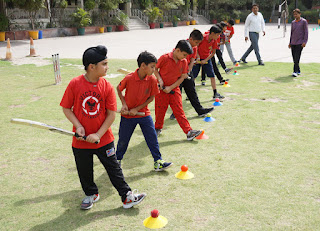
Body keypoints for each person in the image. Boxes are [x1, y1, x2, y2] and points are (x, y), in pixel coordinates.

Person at [60, 45, 146, 210]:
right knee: (84, 171)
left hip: (104, 139)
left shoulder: (106, 86)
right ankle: (91, 193)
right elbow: (66, 108)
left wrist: (98, 134)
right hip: (81, 140)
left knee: (114, 169)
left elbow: (111, 114)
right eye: (104, 64)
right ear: (92, 67)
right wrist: (78, 126)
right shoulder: (75, 84)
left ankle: (127, 196)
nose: (107, 67)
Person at [116, 51, 173, 171]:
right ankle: (117, 161)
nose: (154, 70)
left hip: (143, 114)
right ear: (143, 66)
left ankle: (158, 161)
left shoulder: (152, 80)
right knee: (123, 140)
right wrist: (124, 105)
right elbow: (119, 88)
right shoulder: (129, 78)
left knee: (152, 138)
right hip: (128, 116)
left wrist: (137, 108)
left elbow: (152, 97)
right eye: (152, 67)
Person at [154, 40, 202, 140]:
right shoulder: (164, 58)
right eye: (184, 55)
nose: (185, 58)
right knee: (160, 111)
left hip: (174, 90)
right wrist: (160, 80)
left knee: (179, 111)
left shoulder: (184, 62)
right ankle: (157, 128)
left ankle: (189, 132)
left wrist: (170, 88)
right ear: (177, 50)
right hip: (161, 91)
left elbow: (183, 77)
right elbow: (155, 69)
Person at [170, 29, 214, 120]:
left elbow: (193, 59)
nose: (197, 45)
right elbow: (175, 58)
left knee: (192, 91)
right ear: (190, 39)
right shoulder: (182, 45)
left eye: (199, 43)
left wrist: (189, 70)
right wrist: (181, 73)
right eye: (196, 42)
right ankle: (175, 113)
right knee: (177, 93)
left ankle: (200, 110)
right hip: (178, 73)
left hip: (187, 72)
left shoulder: (194, 47)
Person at [192, 25, 224, 99]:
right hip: (197, 59)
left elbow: (213, 53)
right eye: (217, 34)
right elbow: (195, 47)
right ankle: (190, 94)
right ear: (212, 33)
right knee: (193, 76)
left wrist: (206, 60)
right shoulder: (202, 38)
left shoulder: (214, 40)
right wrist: (198, 57)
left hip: (207, 59)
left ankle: (215, 93)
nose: (218, 36)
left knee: (212, 76)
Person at [288, 8, 308, 77]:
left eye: (296, 14)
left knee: (297, 58)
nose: (295, 15)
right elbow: (291, 33)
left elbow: (306, 32)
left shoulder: (304, 22)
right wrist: (290, 42)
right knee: (294, 58)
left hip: (300, 43)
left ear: (300, 14)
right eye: (294, 14)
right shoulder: (293, 22)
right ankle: (298, 70)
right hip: (293, 43)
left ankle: (295, 71)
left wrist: (305, 41)